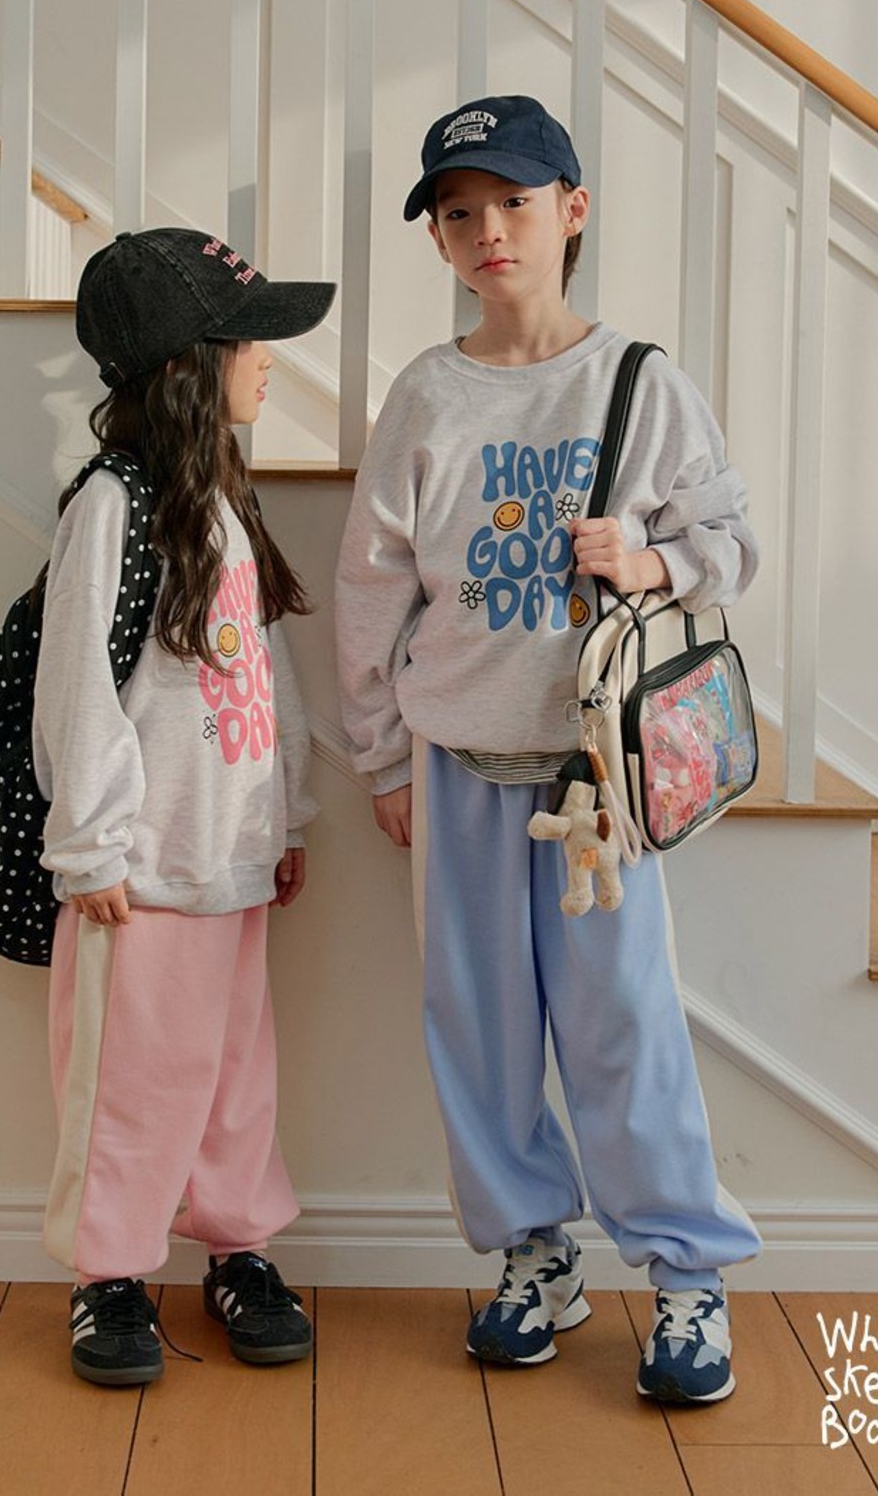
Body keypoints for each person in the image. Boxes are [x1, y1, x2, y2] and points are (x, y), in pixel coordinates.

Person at [335, 95, 761, 1404]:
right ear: (437, 237)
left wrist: (648, 557)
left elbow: (734, 544)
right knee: (476, 1026)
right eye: (457, 212)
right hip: (459, 766)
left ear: (571, 209)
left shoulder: (638, 381)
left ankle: (686, 1271)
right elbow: (370, 582)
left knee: (621, 1023)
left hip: (600, 781)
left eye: (512, 202)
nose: (487, 230)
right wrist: (382, 757)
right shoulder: (426, 391)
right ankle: (534, 1251)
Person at [33, 228, 334, 1387]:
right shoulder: (113, 506)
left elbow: (262, 667)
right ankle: (108, 1271)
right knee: (130, 1080)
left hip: (229, 857)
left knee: (231, 1076)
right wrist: (90, 845)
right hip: (141, 872)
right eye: (249, 338)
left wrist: (285, 814)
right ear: (185, 363)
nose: (269, 359)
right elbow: (76, 685)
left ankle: (235, 1246)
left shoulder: (217, 498)